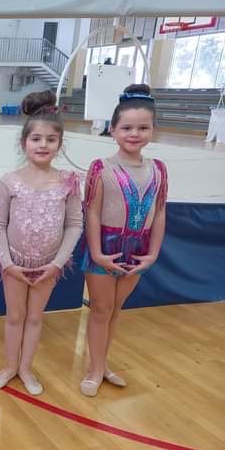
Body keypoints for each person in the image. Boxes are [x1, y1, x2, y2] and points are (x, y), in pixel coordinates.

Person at [0, 91, 83, 396]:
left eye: (50, 139)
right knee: (15, 316)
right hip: (14, 263)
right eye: (36, 139)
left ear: (60, 144)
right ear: (24, 143)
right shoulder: (10, 181)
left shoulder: (68, 181)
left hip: (48, 264)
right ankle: (9, 366)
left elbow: (74, 225)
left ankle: (26, 368)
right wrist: (7, 263)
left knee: (34, 317)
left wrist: (56, 264)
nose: (43, 145)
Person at [80, 84, 168, 397]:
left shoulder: (158, 169)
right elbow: (92, 212)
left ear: (152, 130)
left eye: (143, 128)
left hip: (138, 249)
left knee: (116, 310)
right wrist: (96, 253)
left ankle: (103, 365)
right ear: (113, 130)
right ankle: (94, 369)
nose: (135, 134)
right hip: (105, 247)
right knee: (100, 309)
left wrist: (153, 253)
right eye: (127, 127)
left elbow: (159, 212)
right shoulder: (101, 167)